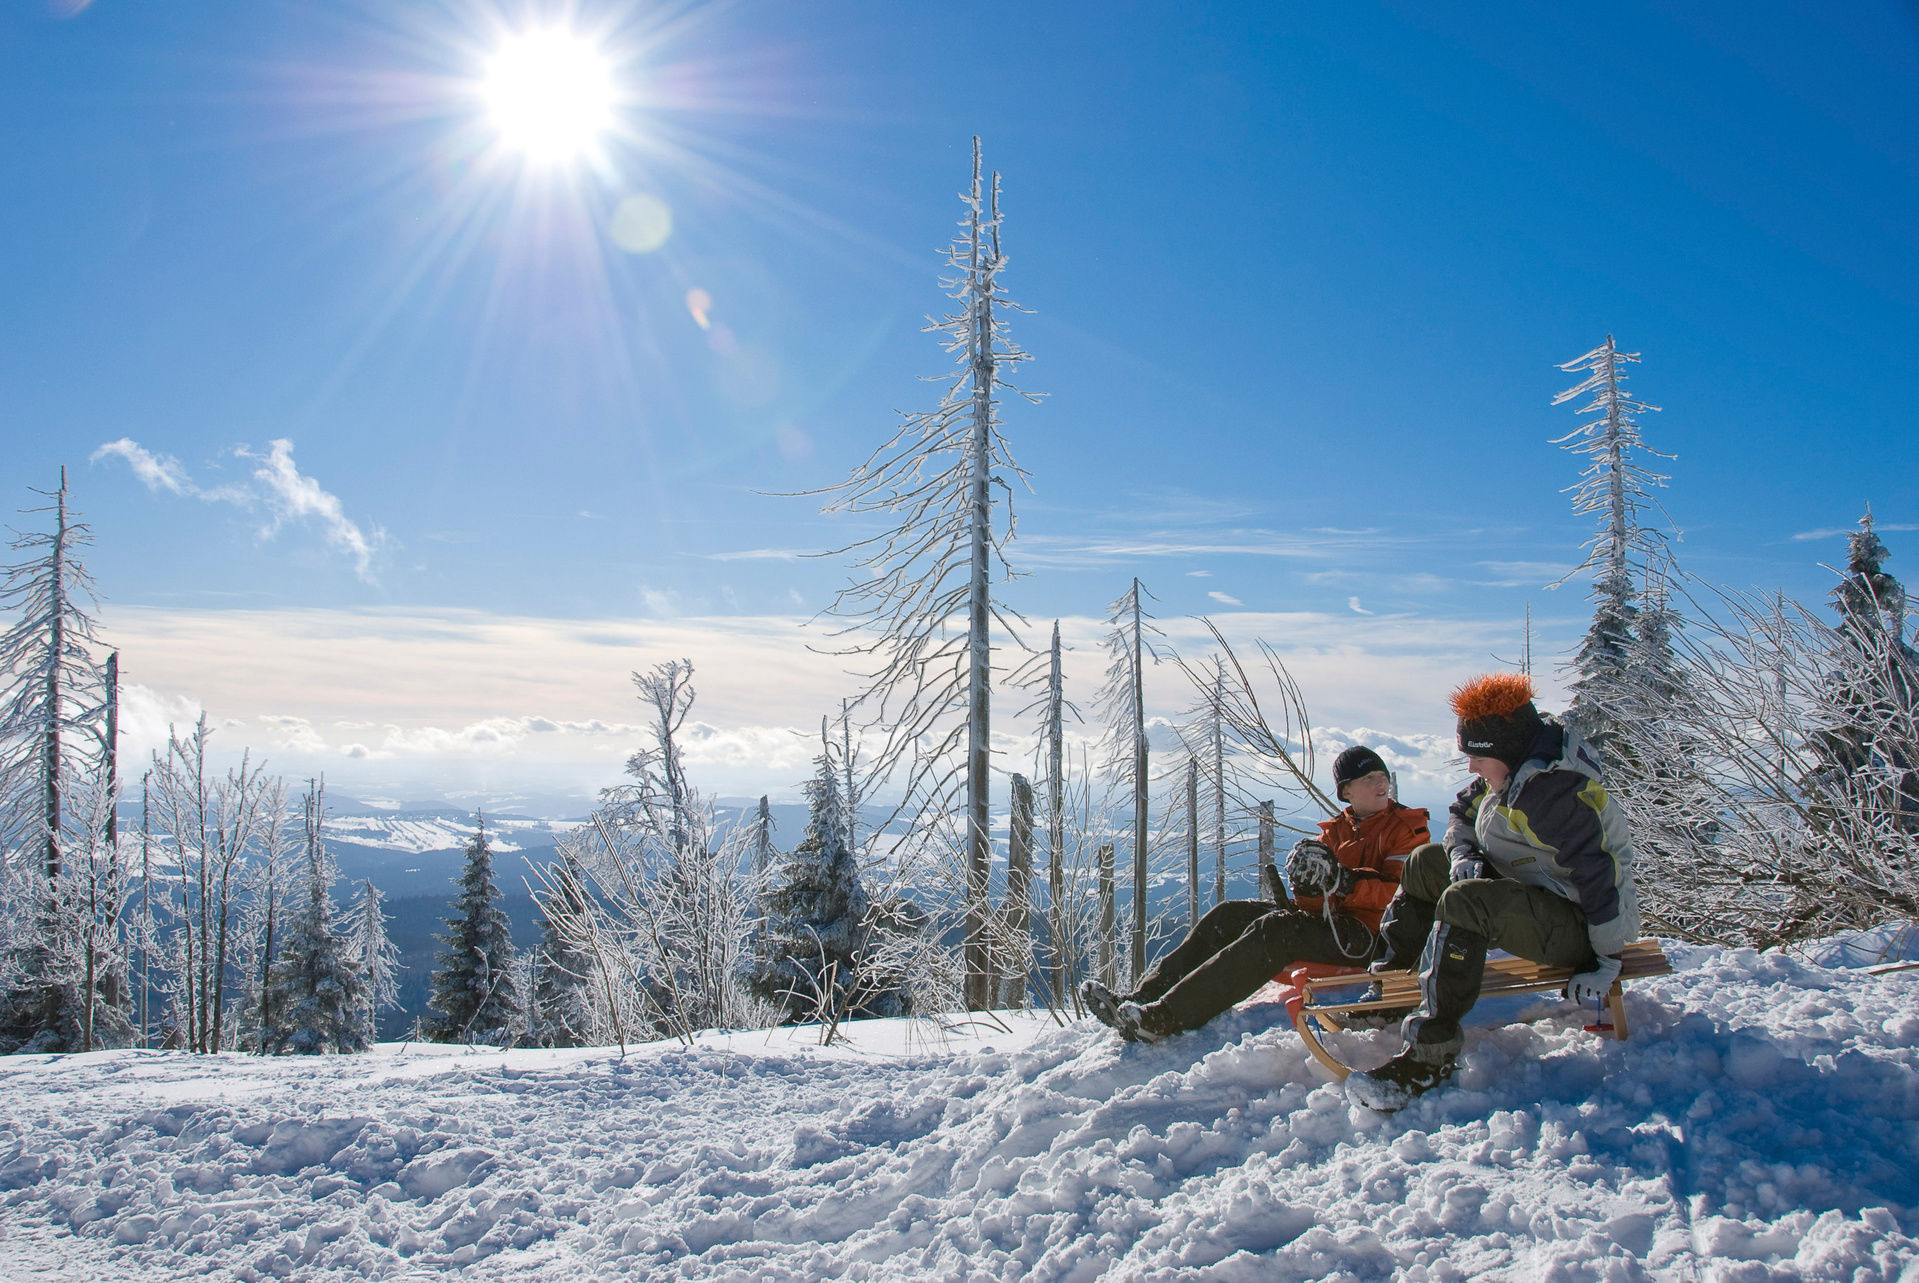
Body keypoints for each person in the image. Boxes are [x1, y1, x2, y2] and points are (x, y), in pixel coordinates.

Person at [1344, 673, 1640, 1112]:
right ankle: (1390, 986)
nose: (1471, 768)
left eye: (1476, 758)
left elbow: (1604, 877)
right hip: (1537, 895)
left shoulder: (1556, 794)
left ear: (1503, 751)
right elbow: (1462, 809)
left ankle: (1430, 1054)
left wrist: (1608, 959)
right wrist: (1463, 854)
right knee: (1427, 862)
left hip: (1581, 927)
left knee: (1467, 902)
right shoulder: (1513, 770)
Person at [1080, 745, 1429, 1043]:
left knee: (1275, 932)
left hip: (1375, 939)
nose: (1381, 783)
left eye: (1382, 776)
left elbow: (1402, 896)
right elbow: (1315, 905)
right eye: (1369, 778)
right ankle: (1142, 997)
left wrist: (1344, 883)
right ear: (1347, 791)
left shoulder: (1406, 827)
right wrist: (1307, 888)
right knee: (1229, 915)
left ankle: (1165, 1018)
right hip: (1337, 926)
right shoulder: (1335, 832)